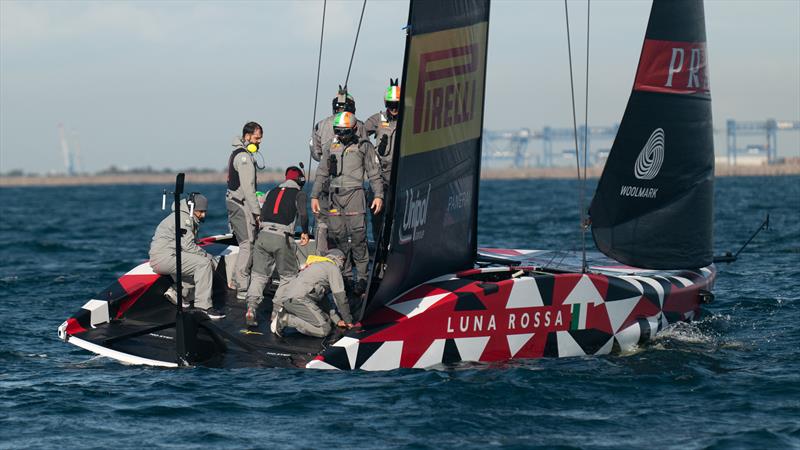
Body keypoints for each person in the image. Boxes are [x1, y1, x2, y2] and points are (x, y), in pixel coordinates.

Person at [311, 111, 383, 297]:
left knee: (358, 238)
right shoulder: (330, 146)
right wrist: (314, 196)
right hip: (335, 196)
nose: (341, 136)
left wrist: (378, 196)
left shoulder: (363, 146)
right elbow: (322, 173)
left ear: (353, 130)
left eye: (345, 132)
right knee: (338, 237)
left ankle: (362, 277)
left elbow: (374, 173)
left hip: (355, 196)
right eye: (338, 131)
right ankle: (346, 276)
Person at [244, 166, 310, 327]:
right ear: (300, 181)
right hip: (282, 238)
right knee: (288, 276)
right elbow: (303, 215)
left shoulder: (271, 191)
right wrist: (305, 232)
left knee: (259, 275)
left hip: (263, 236)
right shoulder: (299, 194)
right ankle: (276, 312)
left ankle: (251, 308)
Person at [309, 87, 368, 255]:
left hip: (326, 182)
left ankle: (323, 256)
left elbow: (315, 153)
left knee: (323, 221)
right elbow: (365, 150)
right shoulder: (359, 125)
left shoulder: (320, 125)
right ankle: (347, 262)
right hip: (351, 185)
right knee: (354, 226)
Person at [148, 194, 225, 319]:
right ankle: (203, 307)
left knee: (200, 262)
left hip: (167, 256)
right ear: (191, 208)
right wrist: (208, 257)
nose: (203, 215)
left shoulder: (183, 216)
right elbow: (188, 246)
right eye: (200, 211)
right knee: (203, 263)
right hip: (165, 258)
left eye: (204, 211)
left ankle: (177, 292)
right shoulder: (183, 219)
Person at [270, 249, 354, 337]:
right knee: (324, 329)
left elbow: (323, 299)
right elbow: (340, 298)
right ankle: (285, 319)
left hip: (288, 299)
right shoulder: (333, 268)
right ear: (340, 259)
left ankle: (287, 314)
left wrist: (336, 320)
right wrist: (348, 321)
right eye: (344, 261)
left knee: (326, 319)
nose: (343, 266)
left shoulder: (316, 266)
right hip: (299, 300)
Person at [227, 121, 263, 300]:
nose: (259, 142)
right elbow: (248, 189)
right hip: (240, 205)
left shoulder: (238, 153)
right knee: (247, 244)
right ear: (247, 136)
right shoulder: (244, 157)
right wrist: (257, 213)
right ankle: (241, 287)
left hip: (236, 203)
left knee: (246, 243)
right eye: (257, 138)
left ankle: (235, 280)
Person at [364, 79, 400, 241]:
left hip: (399, 177)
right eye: (391, 104)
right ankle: (379, 244)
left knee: (395, 216)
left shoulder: (408, 120)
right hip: (379, 177)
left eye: (397, 104)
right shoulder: (378, 119)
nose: (394, 108)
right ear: (386, 103)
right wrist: (370, 154)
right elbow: (361, 134)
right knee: (376, 215)